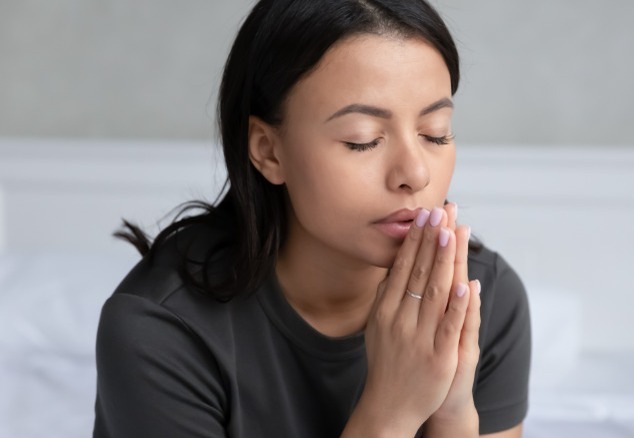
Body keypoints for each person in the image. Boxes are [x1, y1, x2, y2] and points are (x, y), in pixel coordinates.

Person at [92, 0, 531, 436]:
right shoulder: (160, 331)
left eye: (435, 132)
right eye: (363, 141)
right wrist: (391, 411)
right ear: (268, 151)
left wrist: (452, 414)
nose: (415, 174)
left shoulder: (482, 296)